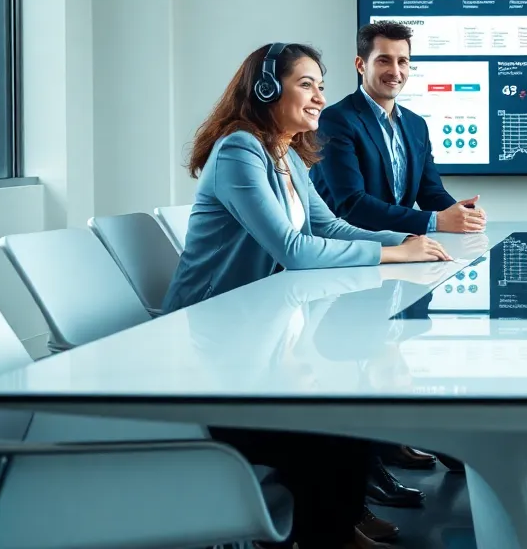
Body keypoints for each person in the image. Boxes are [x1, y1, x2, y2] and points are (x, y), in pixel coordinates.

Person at [165, 42, 452, 549]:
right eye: (306, 84)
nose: (320, 96)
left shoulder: (286, 154)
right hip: (213, 354)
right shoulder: (239, 150)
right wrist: (395, 256)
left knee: (344, 419)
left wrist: (409, 243)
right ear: (267, 89)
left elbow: (333, 227)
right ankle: (332, 536)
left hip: (255, 336)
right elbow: (294, 249)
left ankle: (338, 530)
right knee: (332, 433)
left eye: (322, 85)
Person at [313, 20, 486, 236]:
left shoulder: (416, 125)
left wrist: (461, 214)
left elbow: (430, 193)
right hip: (347, 249)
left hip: (400, 246)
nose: (395, 72)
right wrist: (436, 221)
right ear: (360, 65)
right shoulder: (336, 120)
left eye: (402, 61)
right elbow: (352, 204)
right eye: (384, 60)